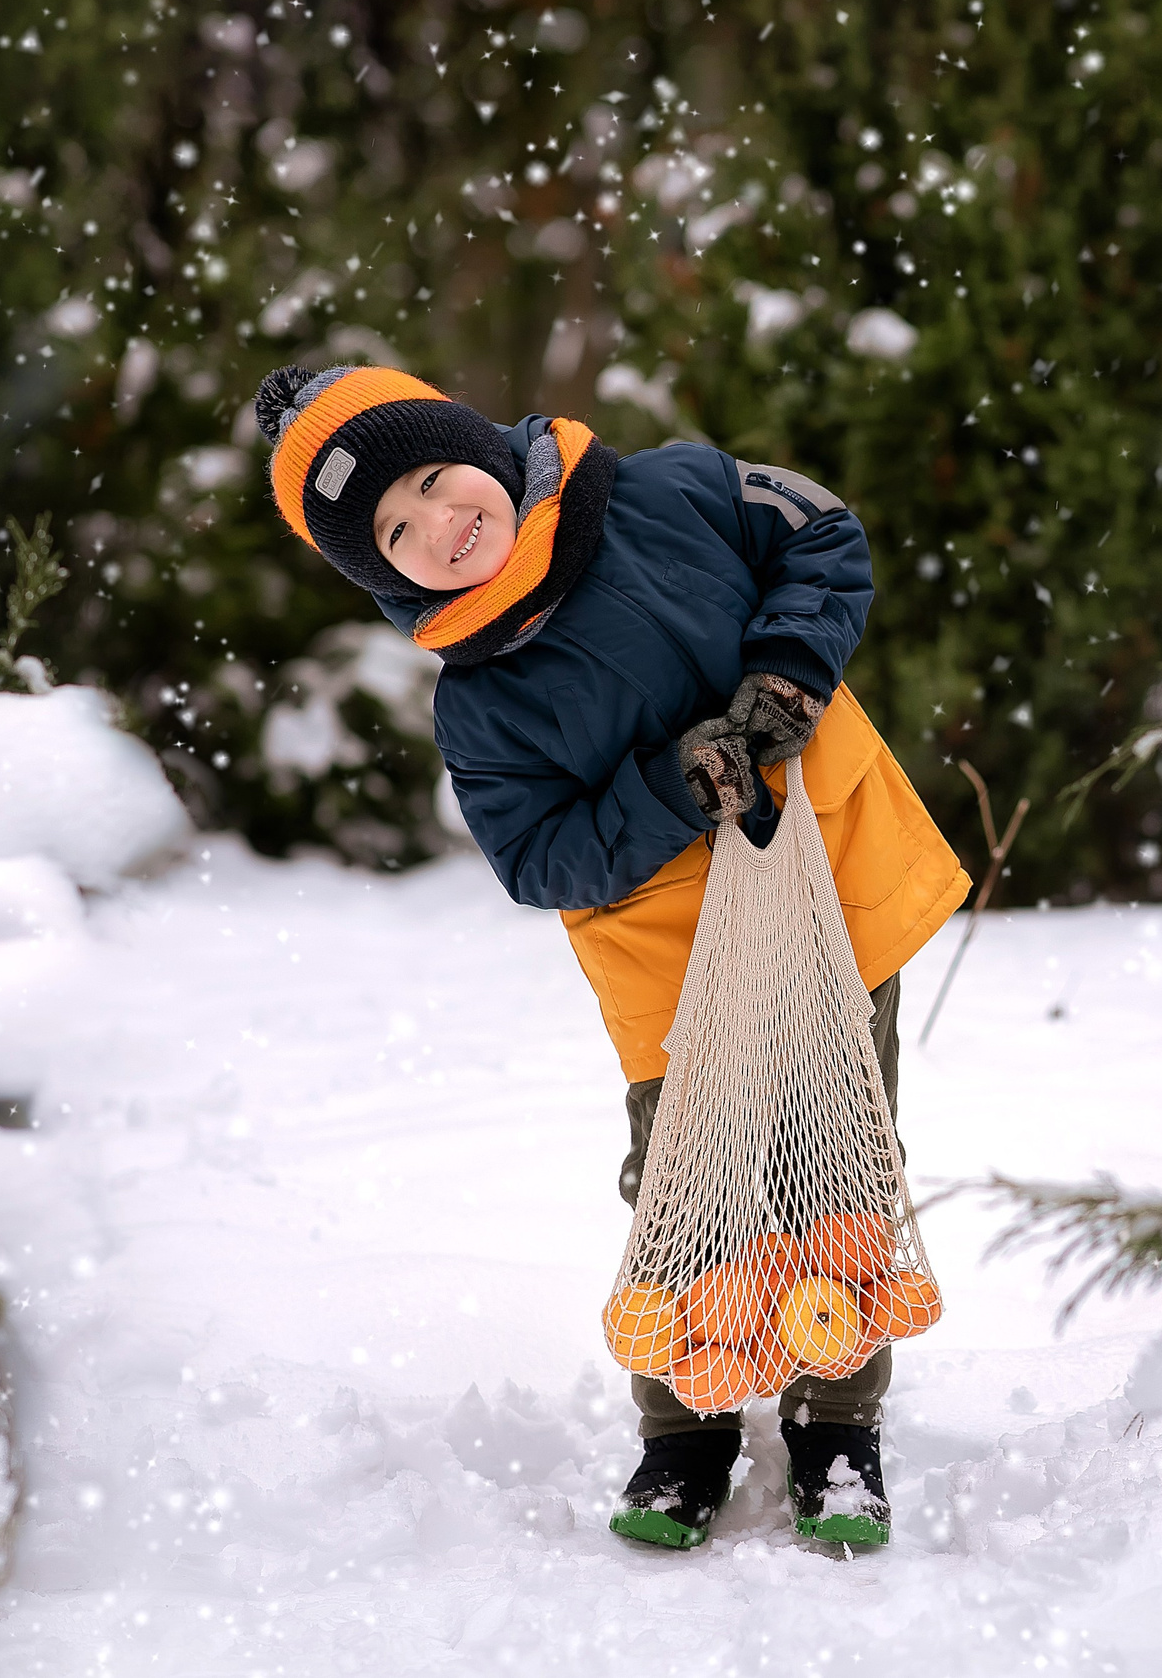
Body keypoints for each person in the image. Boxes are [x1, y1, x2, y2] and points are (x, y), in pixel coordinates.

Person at [254, 364, 969, 1550]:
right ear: (387, 576)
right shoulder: (481, 703)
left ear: (480, 443)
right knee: (687, 1197)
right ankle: (686, 1428)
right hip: (671, 962)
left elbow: (820, 530)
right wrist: (674, 785)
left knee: (837, 1164)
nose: (437, 522)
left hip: (822, 889)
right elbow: (538, 857)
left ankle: (837, 1426)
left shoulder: (669, 490)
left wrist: (789, 669)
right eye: (395, 532)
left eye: (432, 477)